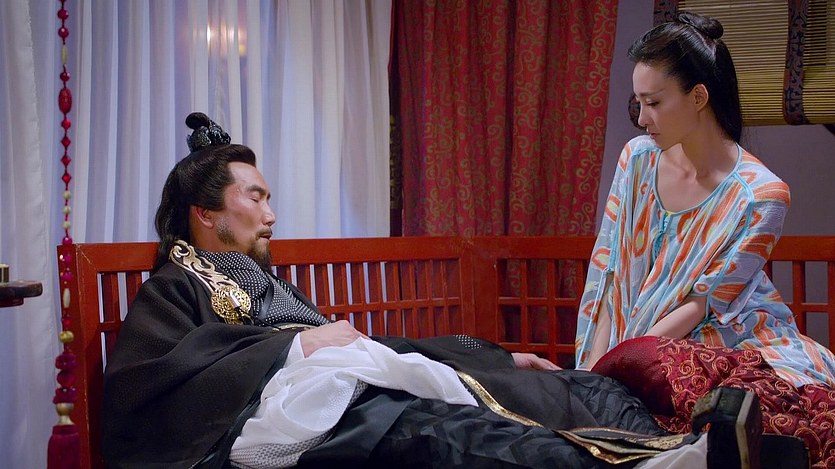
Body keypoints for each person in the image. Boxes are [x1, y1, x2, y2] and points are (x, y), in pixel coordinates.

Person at [102, 112, 682, 469]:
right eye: (255, 197)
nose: (271, 215)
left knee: (575, 384)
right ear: (204, 213)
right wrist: (291, 347)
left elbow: (365, 346)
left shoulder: (270, 285)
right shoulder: (173, 289)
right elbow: (142, 390)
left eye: (268, 198)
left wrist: (496, 359)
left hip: (355, 387)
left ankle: (682, 448)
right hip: (316, 417)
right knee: (460, 437)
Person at [575, 12, 835, 386]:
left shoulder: (760, 196)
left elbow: (701, 304)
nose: (642, 119)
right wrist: (593, 372)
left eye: (653, 103)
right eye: (639, 103)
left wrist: (624, 365)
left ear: (698, 96)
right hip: (637, 342)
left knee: (763, 396)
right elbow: (610, 275)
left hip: (726, 337)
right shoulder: (637, 160)